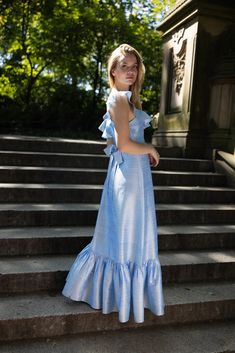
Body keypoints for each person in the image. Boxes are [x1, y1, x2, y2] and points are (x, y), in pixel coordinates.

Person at [62, 43, 165, 323]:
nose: (130, 71)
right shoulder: (120, 99)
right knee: (126, 233)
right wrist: (150, 150)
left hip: (130, 175)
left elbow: (111, 144)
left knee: (127, 233)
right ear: (113, 71)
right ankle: (116, 294)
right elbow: (123, 143)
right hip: (128, 179)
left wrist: (135, 153)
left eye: (134, 66)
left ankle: (117, 293)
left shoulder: (125, 100)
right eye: (124, 67)